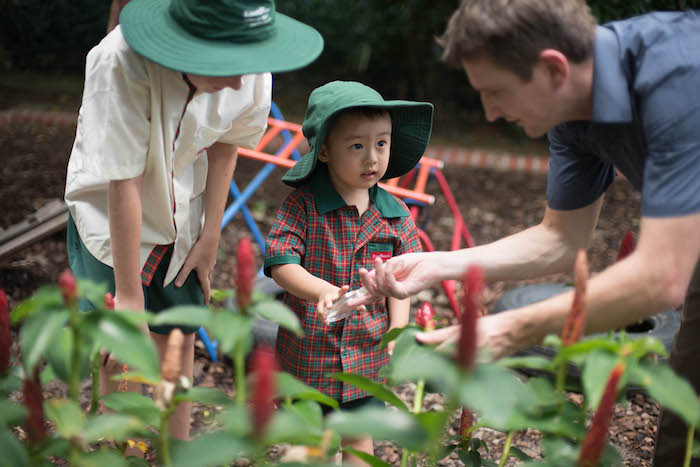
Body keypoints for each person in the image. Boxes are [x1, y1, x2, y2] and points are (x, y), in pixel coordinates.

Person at [355, 1, 700, 465]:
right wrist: (438, 266)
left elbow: (661, 277)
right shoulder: (571, 112)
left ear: (553, 69)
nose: (490, 114)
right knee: (688, 418)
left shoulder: (678, 78)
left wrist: (511, 328)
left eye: (495, 92)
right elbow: (562, 239)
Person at [64, 0, 323, 453]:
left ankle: (174, 456)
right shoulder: (119, 63)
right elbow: (123, 179)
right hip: (109, 211)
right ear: (189, 50)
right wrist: (128, 296)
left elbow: (227, 144)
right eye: (228, 66)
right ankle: (118, 454)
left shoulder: (251, 68)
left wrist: (209, 235)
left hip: (184, 206)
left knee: (178, 337)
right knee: (121, 349)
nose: (242, 81)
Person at [264, 81, 432, 463]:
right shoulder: (303, 206)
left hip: (366, 356)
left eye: (381, 144)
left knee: (359, 440)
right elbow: (280, 261)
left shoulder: (395, 214)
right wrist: (320, 290)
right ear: (324, 150)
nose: (371, 158)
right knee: (311, 443)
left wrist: (395, 331)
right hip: (309, 354)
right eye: (357, 146)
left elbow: (400, 282)